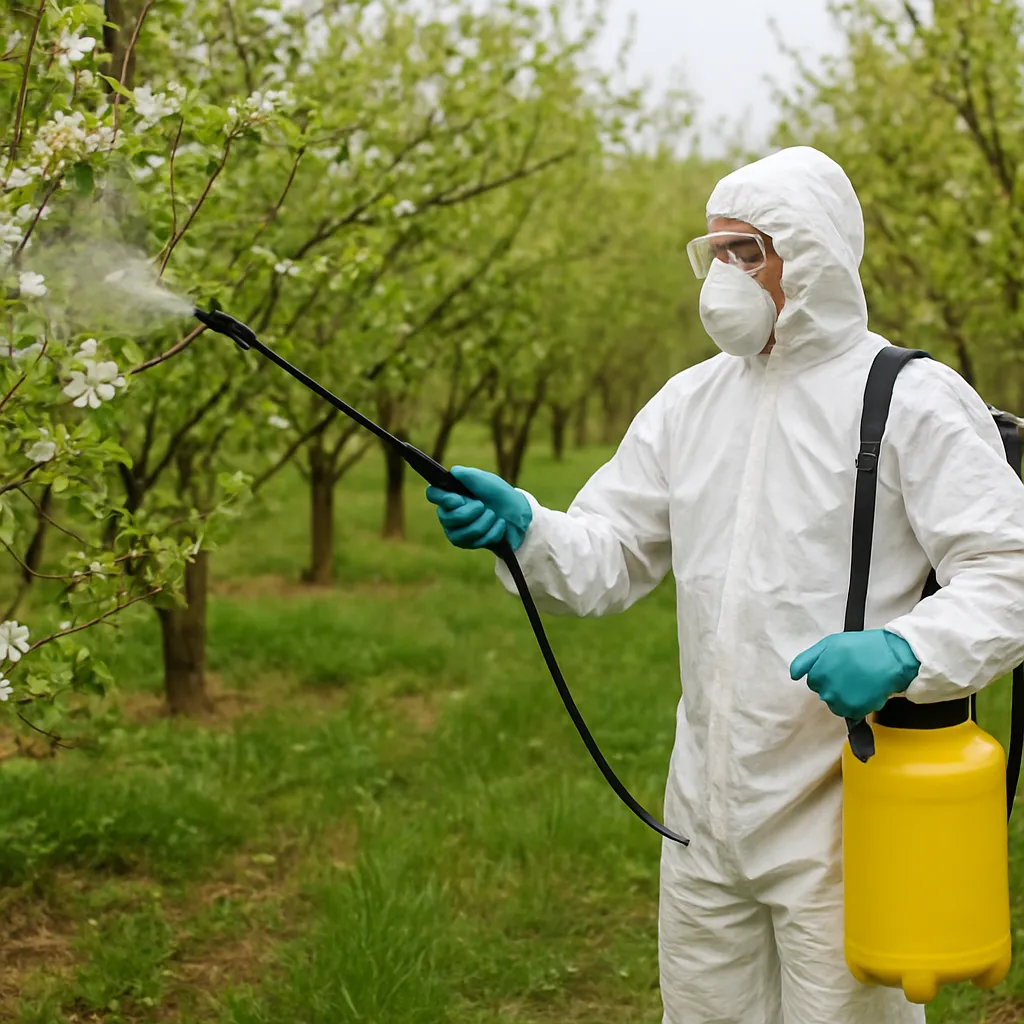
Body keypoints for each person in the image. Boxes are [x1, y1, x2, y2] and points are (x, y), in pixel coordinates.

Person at [424, 145, 1024, 1024]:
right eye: (715, 254)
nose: (724, 276)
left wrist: (908, 649)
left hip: (847, 811)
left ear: (810, 254)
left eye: (749, 251)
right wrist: (527, 527)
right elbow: (612, 550)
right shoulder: (689, 403)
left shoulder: (908, 399)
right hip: (705, 812)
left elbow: (1008, 569)